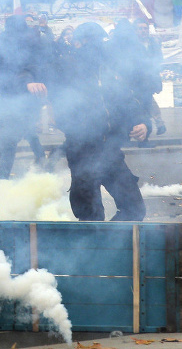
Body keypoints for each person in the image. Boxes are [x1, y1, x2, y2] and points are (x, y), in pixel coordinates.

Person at [49, 22, 148, 221]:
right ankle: (96, 248)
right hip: (82, 152)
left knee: (135, 208)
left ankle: (109, 244)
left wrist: (143, 123)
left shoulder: (108, 69)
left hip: (110, 150)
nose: (97, 46)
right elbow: (60, 114)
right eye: (90, 41)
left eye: (99, 41)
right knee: (91, 217)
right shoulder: (66, 70)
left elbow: (126, 101)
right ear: (78, 43)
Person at [0, 15, 49, 189]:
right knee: (0, 150)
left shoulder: (22, 52)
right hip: (3, 110)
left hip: (10, 112)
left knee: (3, 150)